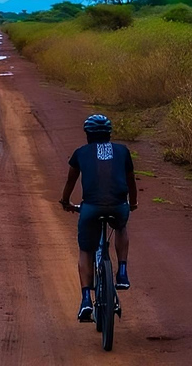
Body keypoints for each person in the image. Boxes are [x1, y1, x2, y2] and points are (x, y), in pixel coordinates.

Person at [59, 114, 138, 322]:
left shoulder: (81, 153)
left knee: (86, 249)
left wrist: (65, 202)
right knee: (121, 227)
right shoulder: (122, 151)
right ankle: (122, 272)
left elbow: (70, 182)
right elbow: (131, 181)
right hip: (119, 206)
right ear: (109, 134)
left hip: (90, 208)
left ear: (88, 135)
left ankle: (86, 300)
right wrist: (133, 203)